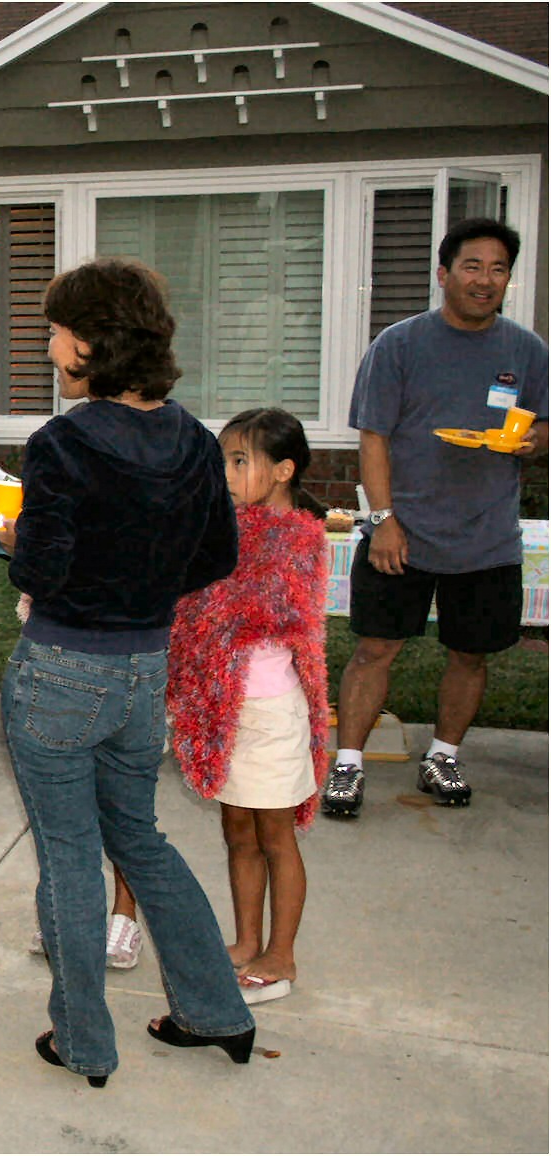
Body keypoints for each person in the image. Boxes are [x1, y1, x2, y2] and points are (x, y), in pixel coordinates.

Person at [0, 258, 254, 1086]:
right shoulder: (192, 437)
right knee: (139, 839)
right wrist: (140, 577)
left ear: (91, 343)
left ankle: (84, 1041)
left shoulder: (63, 443)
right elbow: (216, 552)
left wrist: (14, 543)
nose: (49, 348)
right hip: (146, 668)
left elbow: (39, 566)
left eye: (56, 333)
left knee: (70, 856)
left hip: (64, 670)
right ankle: (217, 1012)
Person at [325, 217, 548, 817]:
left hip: (486, 540)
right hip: (405, 533)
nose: (485, 280)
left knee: (469, 654)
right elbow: (373, 439)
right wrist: (386, 518)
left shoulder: (526, 351)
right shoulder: (399, 345)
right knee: (376, 649)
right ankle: (347, 765)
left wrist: (534, 443)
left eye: (498, 269)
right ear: (444, 274)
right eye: (473, 267)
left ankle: (443, 755)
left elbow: (544, 424)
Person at [169, 407, 330, 1006]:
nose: (227, 473)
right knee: (237, 831)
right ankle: (246, 940)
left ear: (284, 470)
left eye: (240, 461)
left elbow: (246, 611)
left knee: (275, 836)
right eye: (223, 461)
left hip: (269, 714)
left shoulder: (298, 538)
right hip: (225, 709)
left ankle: (281, 954)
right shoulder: (226, 528)